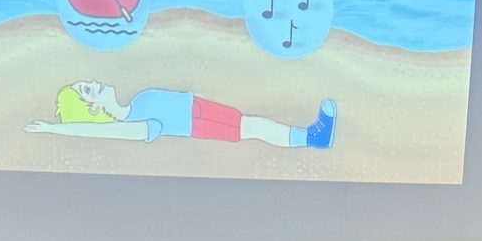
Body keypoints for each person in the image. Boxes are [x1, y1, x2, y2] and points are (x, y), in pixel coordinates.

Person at [26, 80, 337, 150]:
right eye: (87, 90)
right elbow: (98, 131)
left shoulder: (137, 102)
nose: (94, 83)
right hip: (197, 124)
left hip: (198, 108)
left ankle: (312, 137)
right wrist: (53, 129)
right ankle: (312, 138)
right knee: (253, 126)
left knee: (252, 123)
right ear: (93, 109)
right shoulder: (134, 125)